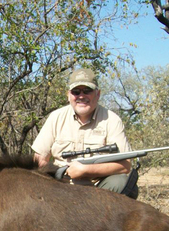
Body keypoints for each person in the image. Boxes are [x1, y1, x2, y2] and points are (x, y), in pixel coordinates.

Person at [32, 68, 137, 196]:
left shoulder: (112, 120)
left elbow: (125, 166)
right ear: (68, 95)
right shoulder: (56, 117)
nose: (81, 96)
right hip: (60, 189)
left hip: (97, 192)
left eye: (87, 91)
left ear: (97, 94)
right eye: (76, 92)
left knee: (121, 181)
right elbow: (39, 160)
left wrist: (86, 170)